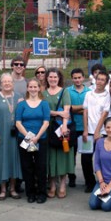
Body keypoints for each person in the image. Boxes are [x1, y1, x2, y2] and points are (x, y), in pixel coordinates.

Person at [0, 73, 23, 201]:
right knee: (1, 160)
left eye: (9, 81)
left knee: (13, 160)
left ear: (13, 83)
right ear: (0, 84)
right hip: (0, 135)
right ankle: (2, 189)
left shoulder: (19, 97)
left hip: (15, 136)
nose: (7, 83)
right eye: (4, 82)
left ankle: (12, 189)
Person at [15, 78, 50, 204]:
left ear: (39, 88)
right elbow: (18, 122)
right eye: (31, 87)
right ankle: (30, 193)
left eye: (36, 87)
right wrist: (29, 137)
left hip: (41, 139)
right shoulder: (21, 104)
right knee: (27, 166)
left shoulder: (44, 104)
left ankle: (41, 193)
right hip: (25, 139)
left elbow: (46, 122)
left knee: (41, 166)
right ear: (28, 88)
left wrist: (37, 137)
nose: (33, 89)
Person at [43, 67, 74, 199]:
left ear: (59, 78)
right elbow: (43, 110)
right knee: (50, 157)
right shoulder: (43, 93)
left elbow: (66, 110)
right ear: (47, 78)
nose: (53, 79)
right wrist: (57, 113)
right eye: (50, 77)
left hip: (61, 126)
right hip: (48, 127)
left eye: (55, 77)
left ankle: (62, 184)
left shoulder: (64, 91)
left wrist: (64, 126)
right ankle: (52, 185)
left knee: (63, 155)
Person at [82, 71, 111, 193]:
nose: (99, 82)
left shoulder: (107, 96)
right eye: (98, 79)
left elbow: (105, 114)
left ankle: (104, 183)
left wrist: (97, 132)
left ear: (106, 82)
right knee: (85, 159)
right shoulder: (89, 94)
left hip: (102, 133)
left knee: (101, 159)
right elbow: (85, 111)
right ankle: (90, 182)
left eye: (102, 80)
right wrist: (85, 129)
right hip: (89, 132)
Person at [66, 68, 90, 188]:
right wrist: (83, 108)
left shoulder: (89, 91)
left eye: (79, 77)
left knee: (86, 156)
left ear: (83, 77)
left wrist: (77, 109)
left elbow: (90, 109)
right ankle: (71, 177)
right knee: (72, 154)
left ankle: (88, 180)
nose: (77, 80)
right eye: (75, 78)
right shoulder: (67, 91)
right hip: (72, 128)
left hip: (86, 128)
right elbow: (68, 108)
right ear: (72, 79)